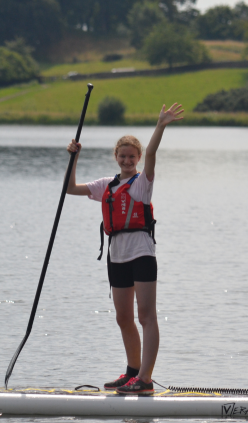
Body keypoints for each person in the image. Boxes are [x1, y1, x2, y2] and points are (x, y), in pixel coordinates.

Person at [66, 103, 184, 395]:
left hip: (141, 253)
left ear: (138, 158)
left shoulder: (143, 183)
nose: (127, 160)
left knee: (146, 316)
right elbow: (70, 188)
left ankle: (145, 380)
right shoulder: (106, 184)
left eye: (132, 156)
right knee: (123, 317)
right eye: (123, 156)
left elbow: (154, 153)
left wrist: (161, 125)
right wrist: (73, 158)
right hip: (116, 255)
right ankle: (132, 371)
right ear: (116, 158)